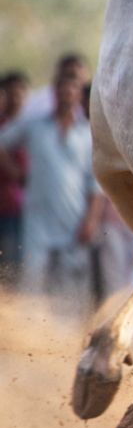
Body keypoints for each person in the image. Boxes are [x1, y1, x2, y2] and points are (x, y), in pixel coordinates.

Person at [0, 73, 102, 303]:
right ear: (54, 94)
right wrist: (16, 173)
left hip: (73, 220)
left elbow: (95, 184)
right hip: (37, 220)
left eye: (71, 91)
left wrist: (91, 221)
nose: (67, 96)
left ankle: (67, 336)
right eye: (62, 91)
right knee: (32, 280)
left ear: (78, 95)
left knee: (71, 289)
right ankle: (30, 334)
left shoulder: (87, 133)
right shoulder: (35, 126)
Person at [0, 71, 30, 278]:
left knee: (14, 264)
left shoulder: (31, 124)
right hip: (6, 205)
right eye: (10, 94)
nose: (15, 99)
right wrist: (15, 171)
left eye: (20, 93)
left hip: (21, 208)